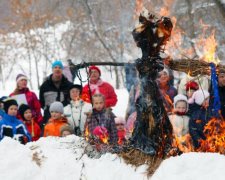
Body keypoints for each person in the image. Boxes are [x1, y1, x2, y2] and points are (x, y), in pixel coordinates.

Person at [39, 60, 73, 126]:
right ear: (52, 69)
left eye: (60, 68)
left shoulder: (68, 85)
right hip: (49, 118)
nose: (57, 69)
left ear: (62, 70)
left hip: (64, 118)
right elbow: (42, 103)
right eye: (55, 67)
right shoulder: (44, 86)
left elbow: (70, 101)